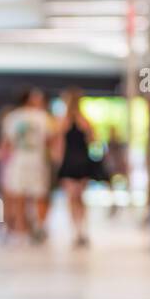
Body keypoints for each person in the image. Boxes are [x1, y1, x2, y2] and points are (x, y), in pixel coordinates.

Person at [0, 87, 53, 243]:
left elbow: (6, 143)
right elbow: (50, 141)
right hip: (36, 160)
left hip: (19, 160)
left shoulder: (12, 118)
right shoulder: (43, 117)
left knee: (20, 195)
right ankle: (37, 227)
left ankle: (22, 229)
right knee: (38, 195)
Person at [56, 88, 95, 248]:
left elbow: (92, 138)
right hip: (76, 161)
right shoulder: (68, 121)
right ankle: (78, 230)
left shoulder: (77, 121)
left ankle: (80, 230)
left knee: (75, 197)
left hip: (75, 161)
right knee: (77, 197)